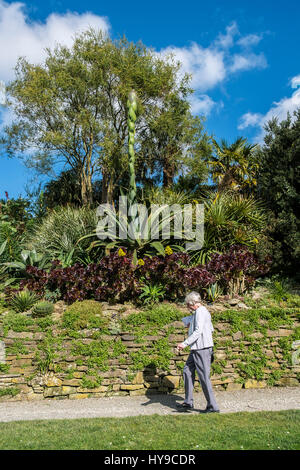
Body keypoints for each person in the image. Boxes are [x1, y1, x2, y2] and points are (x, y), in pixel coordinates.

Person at [176, 291, 220, 413]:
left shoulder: (201, 312)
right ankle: (188, 402)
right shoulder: (198, 312)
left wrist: (184, 344)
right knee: (187, 371)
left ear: (192, 303)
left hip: (202, 349)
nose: (187, 307)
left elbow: (198, 331)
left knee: (204, 377)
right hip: (196, 348)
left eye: (187, 305)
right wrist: (190, 323)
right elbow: (209, 328)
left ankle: (213, 406)